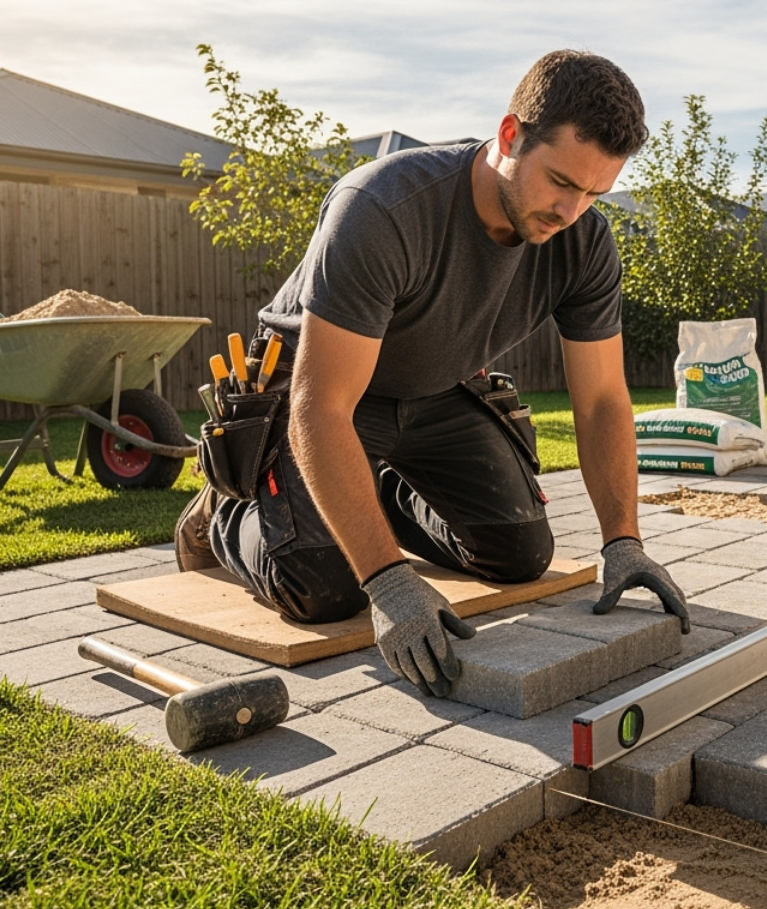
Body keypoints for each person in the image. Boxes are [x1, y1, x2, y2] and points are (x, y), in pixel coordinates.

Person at [176, 50, 689, 699]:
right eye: (561, 181)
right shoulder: (384, 206)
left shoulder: (584, 244)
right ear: (510, 136)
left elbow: (603, 402)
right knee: (324, 586)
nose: (571, 211)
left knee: (518, 556)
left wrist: (624, 540)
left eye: (595, 194)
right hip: (320, 394)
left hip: (435, 392)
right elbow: (320, 406)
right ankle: (226, 510)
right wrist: (388, 579)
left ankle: (372, 491)